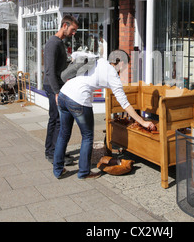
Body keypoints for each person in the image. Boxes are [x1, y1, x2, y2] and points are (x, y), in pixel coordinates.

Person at [53, 50, 156, 179]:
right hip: (78, 99)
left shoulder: (99, 60)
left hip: (64, 93)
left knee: (64, 133)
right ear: (122, 62)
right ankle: (84, 172)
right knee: (87, 136)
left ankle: (57, 170)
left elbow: (75, 55)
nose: (125, 69)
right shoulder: (112, 74)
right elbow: (124, 103)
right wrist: (143, 122)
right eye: (126, 66)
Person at [43, 15, 79, 164]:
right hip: (53, 87)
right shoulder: (53, 43)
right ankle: (54, 155)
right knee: (58, 120)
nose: (74, 33)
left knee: (55, 119)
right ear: (64, 25)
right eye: (73, 29)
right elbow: (50, 70)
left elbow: (57, 65)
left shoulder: (59, 43)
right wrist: (57, 92)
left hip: (57, 85)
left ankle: (55, 151)